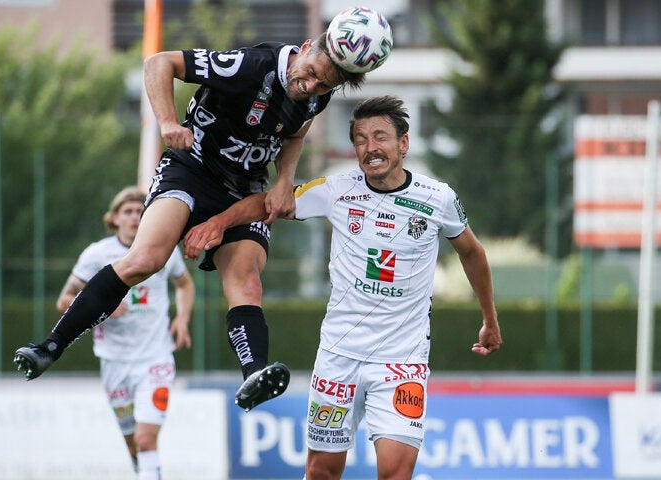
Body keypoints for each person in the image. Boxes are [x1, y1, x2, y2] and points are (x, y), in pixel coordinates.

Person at [14, 26, 371, 411]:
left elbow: (295, 134)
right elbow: (158, 63)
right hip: (191, 170)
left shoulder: (318, 95)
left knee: (248, 281)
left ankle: (254, 374)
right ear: (304, 48)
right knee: (146, 260)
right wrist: (168, 121)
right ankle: (50, 346)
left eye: (323, 85)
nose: (312, 85)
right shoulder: (250, 67)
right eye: (312, 72)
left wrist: (284, 180)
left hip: (244, 189)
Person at [182, 95, 502, 480]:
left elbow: (473, 253)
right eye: (361, 139)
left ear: (403, 143)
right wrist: (218, 222)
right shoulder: (337, 189)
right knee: (321, 472)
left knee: (396, 473)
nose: (371, 147)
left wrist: (489, 319)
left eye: (380, 136)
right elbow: (270, 202)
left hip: (402, 362)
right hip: (339, 356)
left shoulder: (437, 198)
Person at [55, 186, 194, 480]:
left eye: (140, 212)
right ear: (114, 218)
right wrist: (99, 307)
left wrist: (182, 318)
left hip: (155, 359)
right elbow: (64, 300)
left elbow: (184, 284)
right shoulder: (97, 254)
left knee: (146, 440)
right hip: (114, 362)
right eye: (127, 212)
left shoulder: (163, 249)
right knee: (133, 445)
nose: (134, 217)